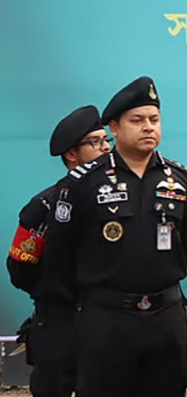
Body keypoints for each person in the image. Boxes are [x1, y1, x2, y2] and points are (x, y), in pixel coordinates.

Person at [47, 77, 187, 397]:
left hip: (166, 318)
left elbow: (185, 247)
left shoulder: (181, 180)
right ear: (114, 128)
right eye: (137, 120)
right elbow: (59, 256)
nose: (148, 127)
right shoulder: (83, 183)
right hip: (106, 319)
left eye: (154, 120)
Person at [6, 105, 110, 397]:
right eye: (96, 142)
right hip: (59, 323)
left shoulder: (120, 202)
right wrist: (56, 293)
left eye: (107, 140)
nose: (106, 148)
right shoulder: (44, 207)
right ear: (71, 154)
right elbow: (20, 268)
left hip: (108, 321)